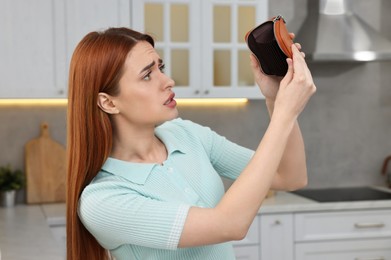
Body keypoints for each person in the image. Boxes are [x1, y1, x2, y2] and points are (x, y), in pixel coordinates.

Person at [66, 27, 316, 260]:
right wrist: (284, 113)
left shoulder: (186, 135)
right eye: (147, 75)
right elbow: (229, 225)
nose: (167, 81)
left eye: (160, 68)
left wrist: (275, 100)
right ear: (108, 102)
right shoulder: (103, 200)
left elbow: (289, 177)